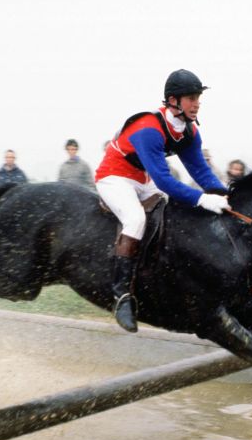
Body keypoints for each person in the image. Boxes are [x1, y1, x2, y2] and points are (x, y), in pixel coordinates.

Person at [95, 68, 230, 332]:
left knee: (173, 211)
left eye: (198, 97)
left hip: (142, 179)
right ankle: (121, 294)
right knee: (135, 219)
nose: (197, 103)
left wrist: (225, 195)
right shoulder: (148, 128)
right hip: (114, 177)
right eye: (191, 98)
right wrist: (203, 200)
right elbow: (166, 180)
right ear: (173, 100)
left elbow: (200, 171)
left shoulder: (189, 131)